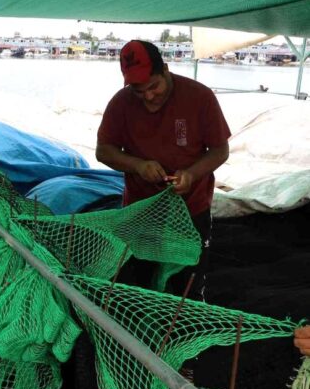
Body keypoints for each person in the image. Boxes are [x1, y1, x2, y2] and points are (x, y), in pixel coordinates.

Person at [96, 40, 231, 300]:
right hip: (140, 209)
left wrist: (191, 174)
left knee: (188, 283)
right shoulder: (121, 103)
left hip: (191, 208)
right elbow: (104, 151)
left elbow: (220, 150)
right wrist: (138, 165)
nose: (148, 96)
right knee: (137, 280)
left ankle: (189, 331)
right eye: (138, 90)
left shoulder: (200, 97)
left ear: (166, 69)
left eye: (153, 86)